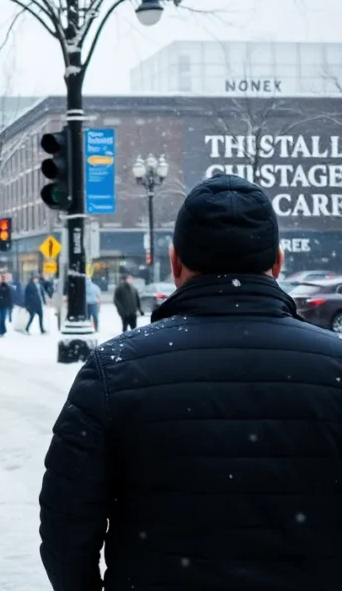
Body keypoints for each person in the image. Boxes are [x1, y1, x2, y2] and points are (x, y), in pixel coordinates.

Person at [39, 174, 342, 591]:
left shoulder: (115, 368)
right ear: (277, 262)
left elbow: (66, 525)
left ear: (176, 262)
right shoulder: (335, 366)